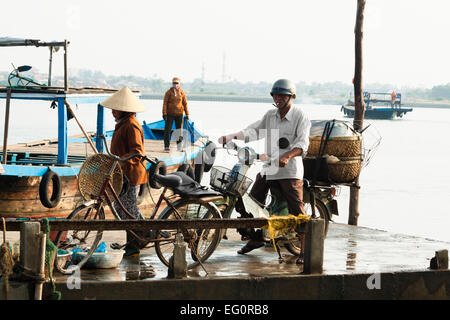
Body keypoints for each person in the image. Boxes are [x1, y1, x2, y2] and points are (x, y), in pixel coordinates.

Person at [218, 79, 311, 258]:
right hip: (269, 168)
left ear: (291, 96)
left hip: (289, 170)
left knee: (297, 210)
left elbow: (302, 144)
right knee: (251, 202)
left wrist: (287, 156)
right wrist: (230, 136)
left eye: (282, 95)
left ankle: (305, 247)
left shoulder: (300, 116)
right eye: (276, 94)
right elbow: (253, 131)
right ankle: (257, 237)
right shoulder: (270, 115)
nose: (278, 98)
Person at [101, 86, 148, 257]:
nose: (113, 111)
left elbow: (137, 151)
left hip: (130, 173)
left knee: (128, 210)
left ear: (123, 110)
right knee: (123, 208)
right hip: (122, 172)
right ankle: (145, 232)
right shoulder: (123, 123)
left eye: (115, 108)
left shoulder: (131, 125)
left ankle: (134, 245)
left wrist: (121, 161)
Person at [162, 77, 189, 151]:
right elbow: (165, 103)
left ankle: (179, 146)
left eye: (177, 83)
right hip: (169, 114)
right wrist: (164, 113)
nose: (175, 84)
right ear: (172, 83)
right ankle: (166, 146)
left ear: (179, 84)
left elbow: (185, 104)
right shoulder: (168, 92)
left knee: (179, 131)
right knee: (167, 130)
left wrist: (187, 114)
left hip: (179, 114)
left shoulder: (182, 92)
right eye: (174, 83)